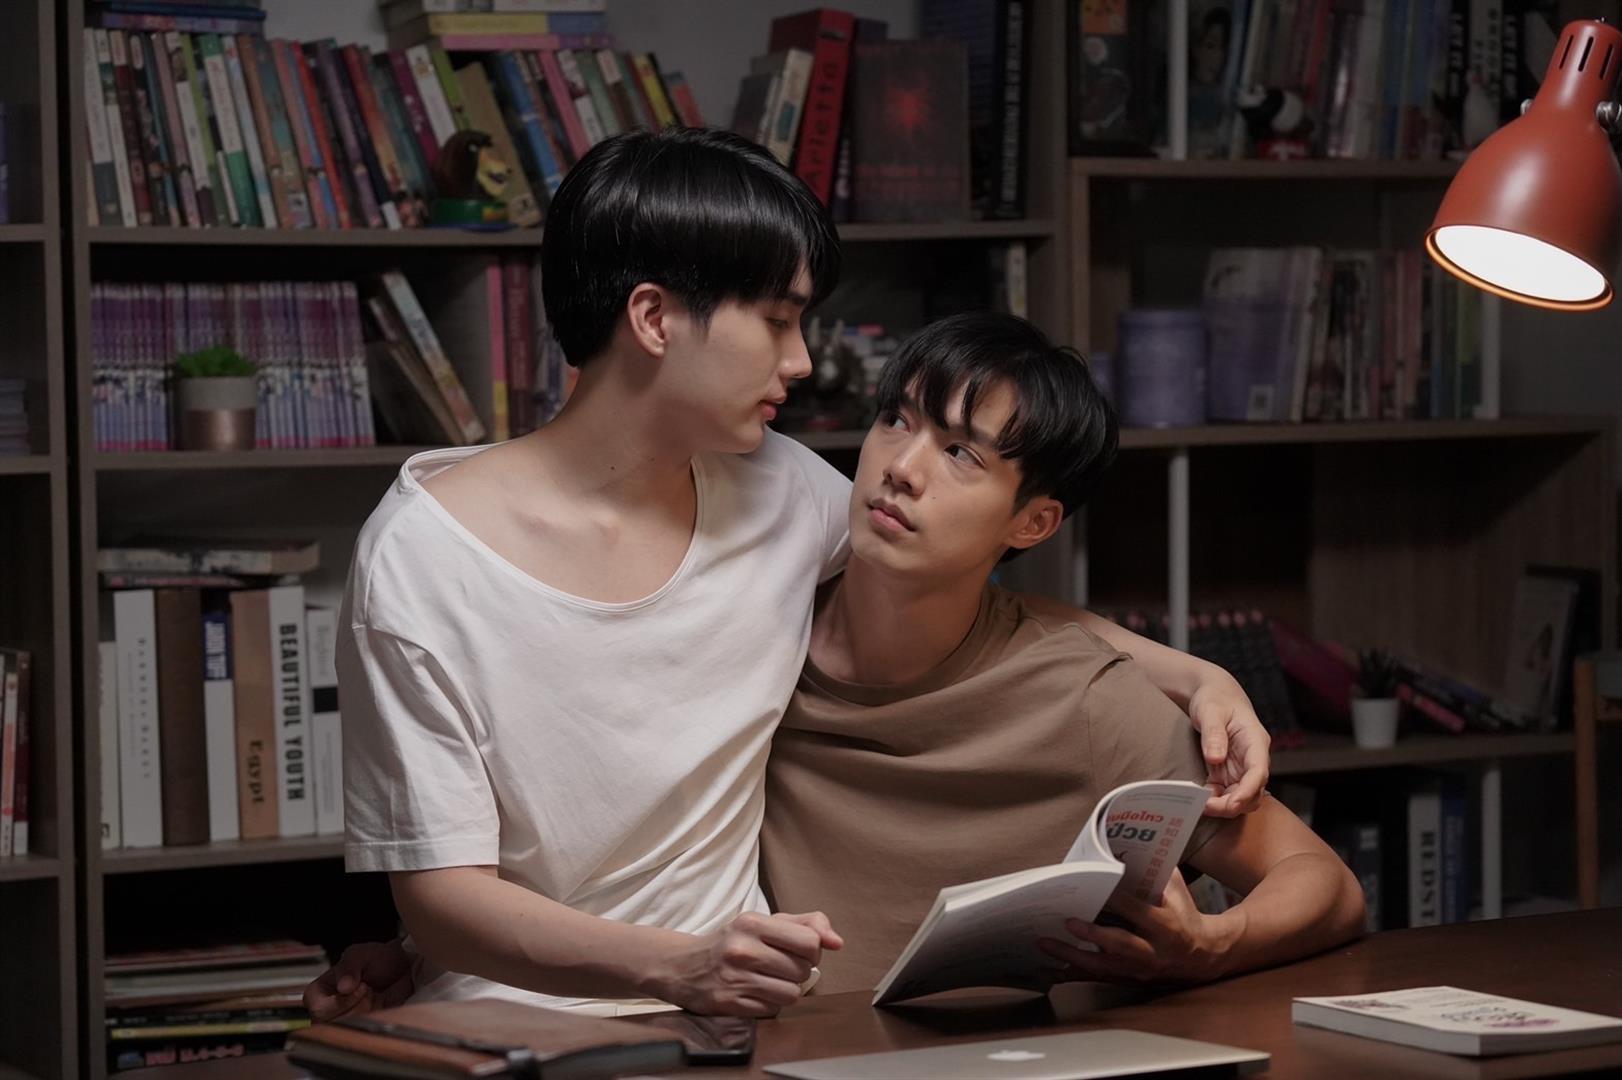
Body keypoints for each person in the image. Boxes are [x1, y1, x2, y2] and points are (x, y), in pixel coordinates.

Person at [317, 128, 1275, 1022]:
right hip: (511, 1031)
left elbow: (965, 581)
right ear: (652, 317)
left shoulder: (777, 487)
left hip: (740, 1033)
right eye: (778, 319)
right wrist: (677, 966)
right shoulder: (424, 562)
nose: (803, 360)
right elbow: (443, 903)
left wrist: (1190, 674)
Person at [759, 313, 1367, 993]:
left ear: (1034, 522)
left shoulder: (1083, 697)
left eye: (961, 454)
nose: (900, 468)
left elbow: (1326, 882)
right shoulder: (757, 631)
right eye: (896, 420)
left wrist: (1213, 945)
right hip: (775, 1039)